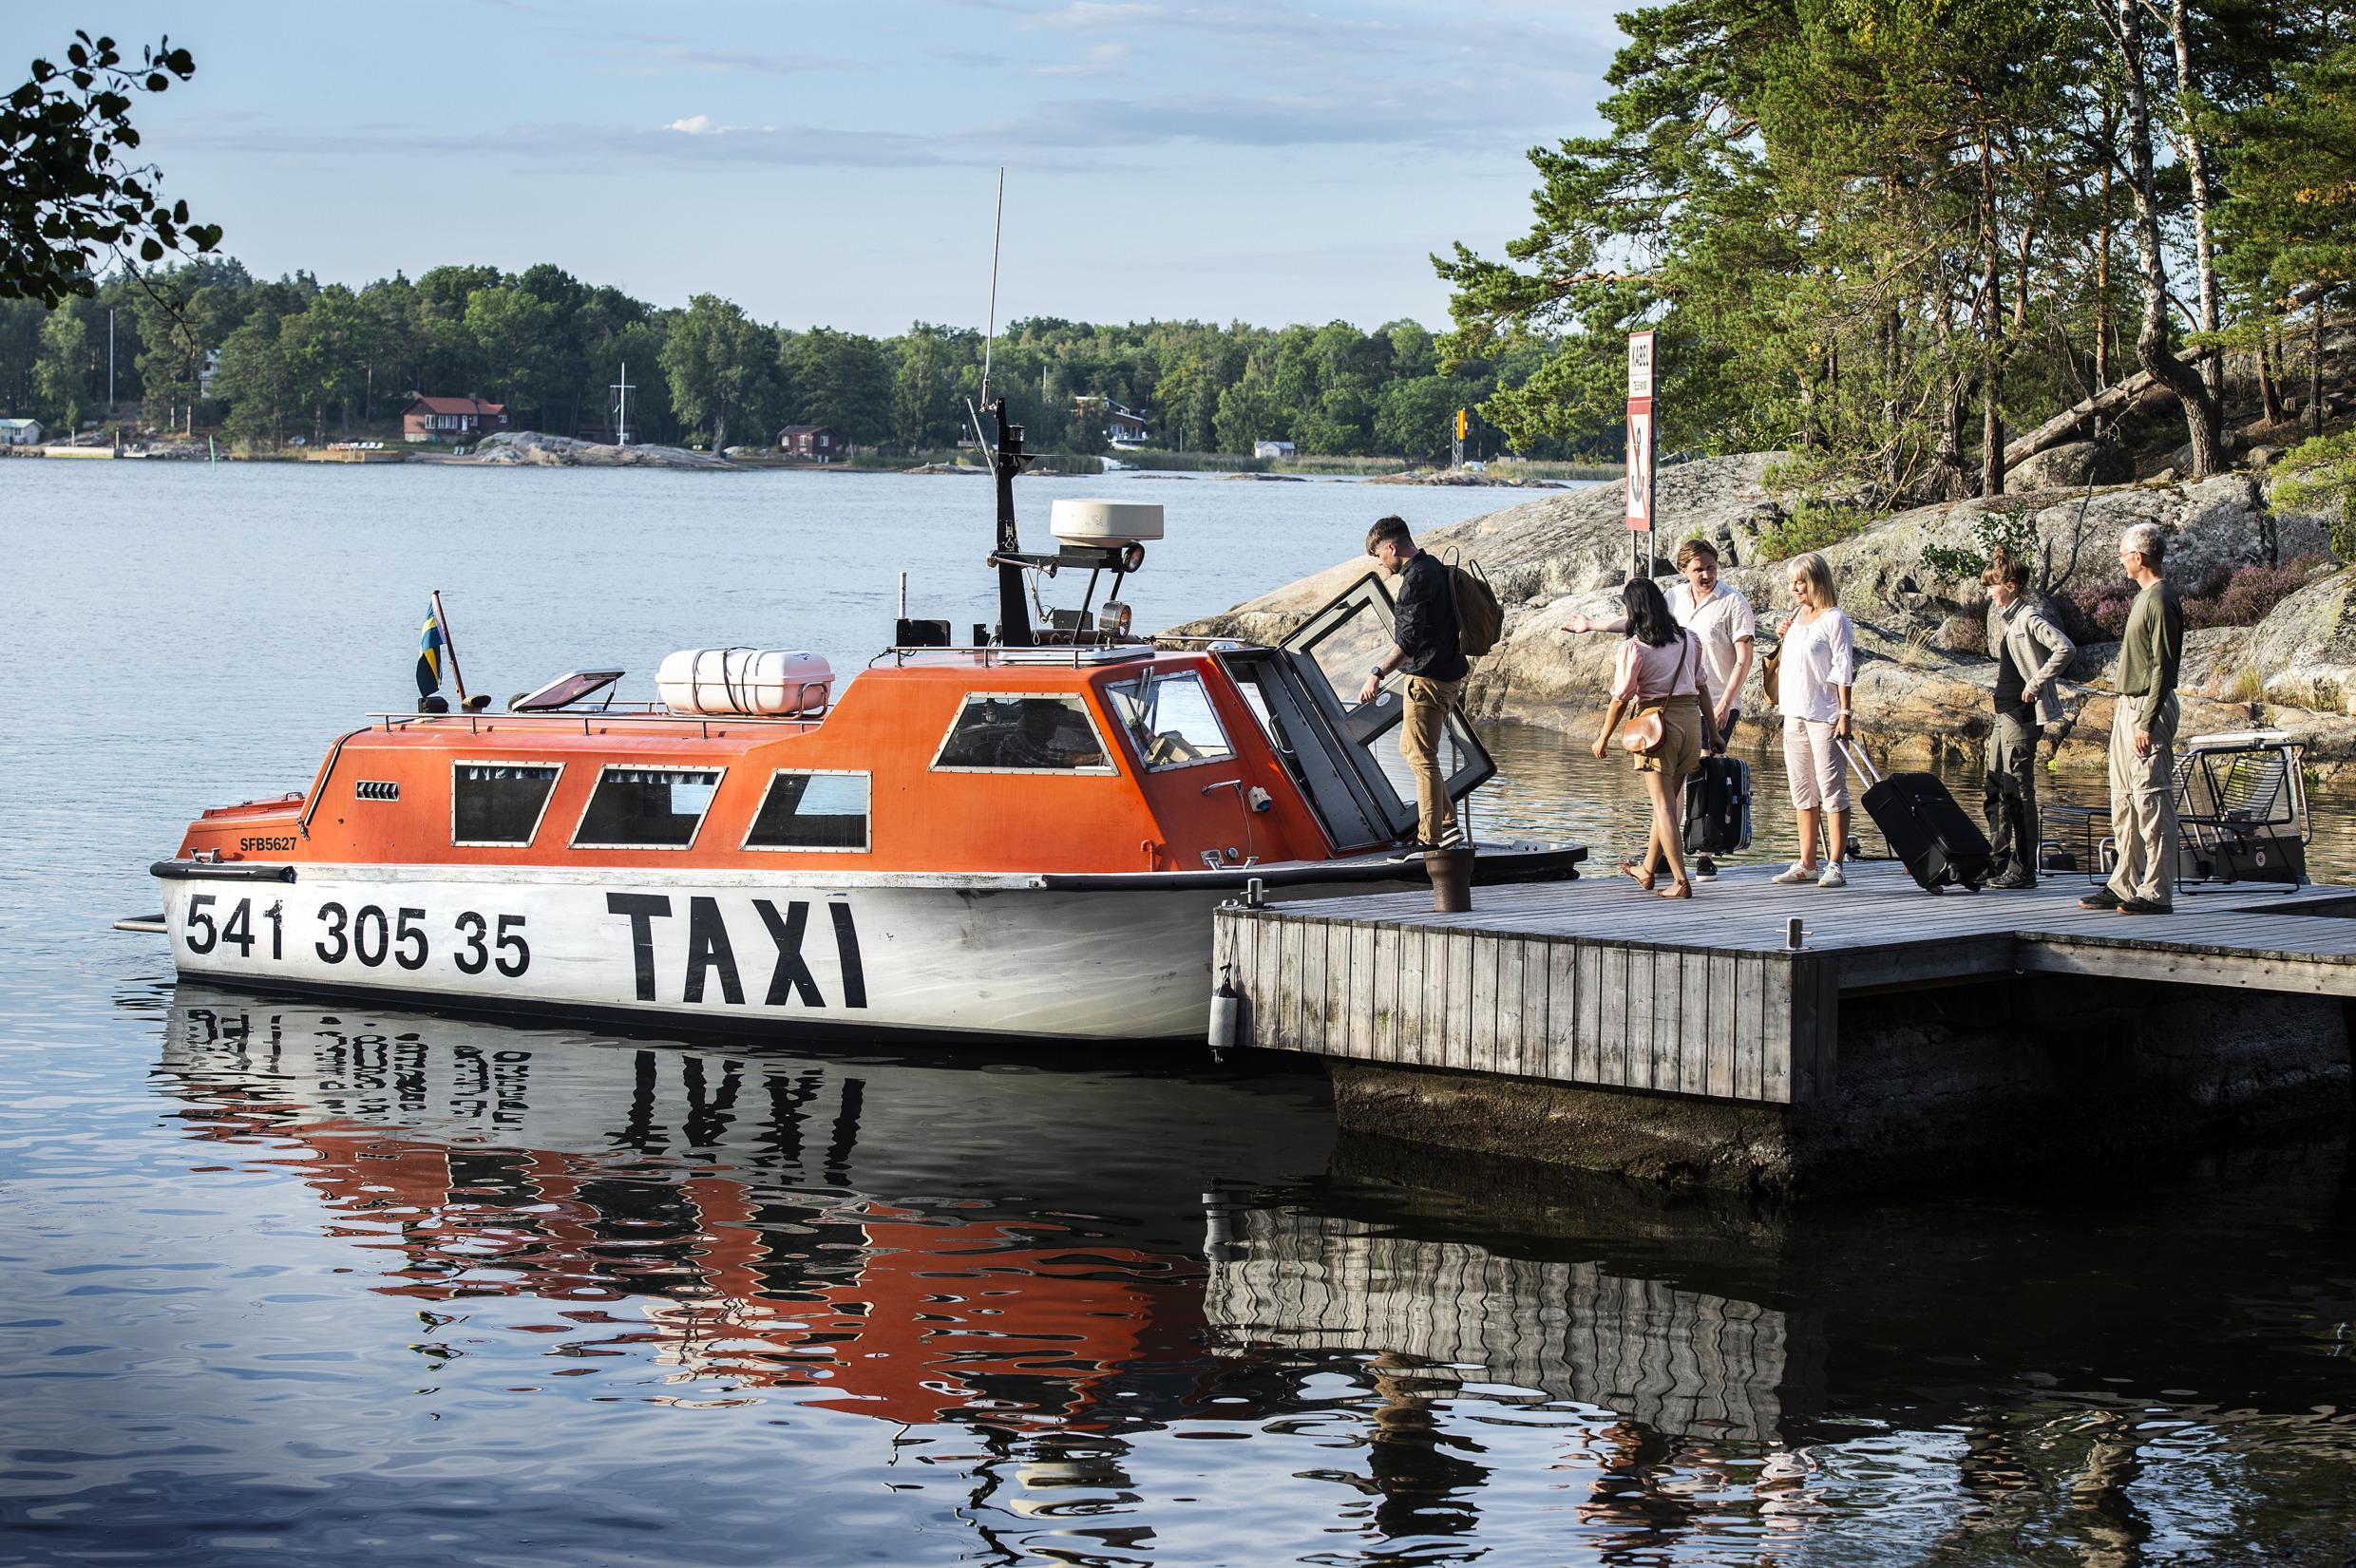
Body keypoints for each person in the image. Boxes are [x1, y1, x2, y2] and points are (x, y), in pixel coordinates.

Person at [1562, 538, 1757, 878]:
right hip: (1692, 705)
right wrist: (1591, 624)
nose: (1706, 574)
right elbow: (1637, 621)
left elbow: (1744, 658)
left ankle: (1693, 863)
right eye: (1699, 569)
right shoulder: (1677, 606)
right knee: (1671, 796)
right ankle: (1654, 864)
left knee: (1672, 796)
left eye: (1711, 567)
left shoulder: (1732, 601)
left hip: (1705, 704)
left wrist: (1726, 702)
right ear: (1684, 571)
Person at [1588, 576, 1718, 898]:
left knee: (1663, 807)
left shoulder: (1635, 647)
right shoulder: (1689, 639)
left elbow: (1621, 698)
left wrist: (1603, 738)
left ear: (1633, 612)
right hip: (1690, 722)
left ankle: (1680, 882)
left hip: (1657, 726)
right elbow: (1701, 687)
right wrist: (1713, 732)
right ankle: (1647, 870)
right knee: (1667, 806)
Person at [2082, 522, 2183, 915]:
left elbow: (2163, 668)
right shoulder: (2145, 597)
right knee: (2124, 799)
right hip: (2129, 706)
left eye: (2123, 555)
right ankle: (2123, 883)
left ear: (2138, 557)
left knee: (2151, 801)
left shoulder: (2159, 600)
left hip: (2147, 709)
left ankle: (2156, 892)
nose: (2121, 562)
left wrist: (2145, 722)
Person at [1356, 516, 1469, 849]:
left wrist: (1376, 673)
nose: (1380, 563)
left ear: (1391, 547)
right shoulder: (1433, 566)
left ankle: (1429, 839)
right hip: (1448, 677)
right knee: (1410, 749)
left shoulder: (1414, 580)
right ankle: (1446, 823)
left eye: (1379, 555)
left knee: (1422, 757)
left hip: (1427, 682)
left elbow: (1407, 641)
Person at [1981, 546, 2076, 889]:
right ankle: (1999, 861)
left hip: (2021, 717)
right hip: (2002, 715)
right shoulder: (2009, 621)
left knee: (2018, 791)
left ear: (2010, 585)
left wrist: (2036, 684)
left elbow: (2065, 647)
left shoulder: (2028, 618)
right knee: (1993, 786)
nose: (1989, 593)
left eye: (1992, 586)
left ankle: (2023, 871)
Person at [1770, 551, 1855, 889]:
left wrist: (1845, 713)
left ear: (1816, 580)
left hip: (1824, 713)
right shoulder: (1796, 616)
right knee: (1802, 790)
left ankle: (1835, 863)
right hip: (1793, 712)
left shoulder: (1834, 619)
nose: (1795, 588)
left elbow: (1843, 666)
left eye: (1800, 581)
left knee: (1832, 789)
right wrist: (1783, 634)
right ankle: (1806, 861)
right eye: (1792, 582)